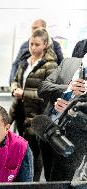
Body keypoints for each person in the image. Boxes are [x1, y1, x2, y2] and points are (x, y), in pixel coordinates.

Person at [9, 28, 58, 181]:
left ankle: (32, 183)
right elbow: (15, 80)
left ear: (45, 45)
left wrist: (23, 93)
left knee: (34, 158)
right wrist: (14, 89)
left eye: (37, 44)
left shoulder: (51, 66)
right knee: (21, 153)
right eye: (31, 44)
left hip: (37, 117)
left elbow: (48, 94)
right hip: (20, 113)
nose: (33, 47)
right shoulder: (24, 62)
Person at [38, 53, 87, 181]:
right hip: (48, 132)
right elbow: (43, 88)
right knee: (48, 179)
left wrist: (69, 108)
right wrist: (68, 89)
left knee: (60, 182)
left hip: (73, 143)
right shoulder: (68, 63)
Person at [9, 19, 63, 84]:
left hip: (42, 83)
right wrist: (12, 83)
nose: (33, 47)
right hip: (24, 83)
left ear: (44, 28)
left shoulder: (55, 45)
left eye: (35, 28)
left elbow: (61, 65)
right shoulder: (25, 45)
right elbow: (16, 64)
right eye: (32, 28)